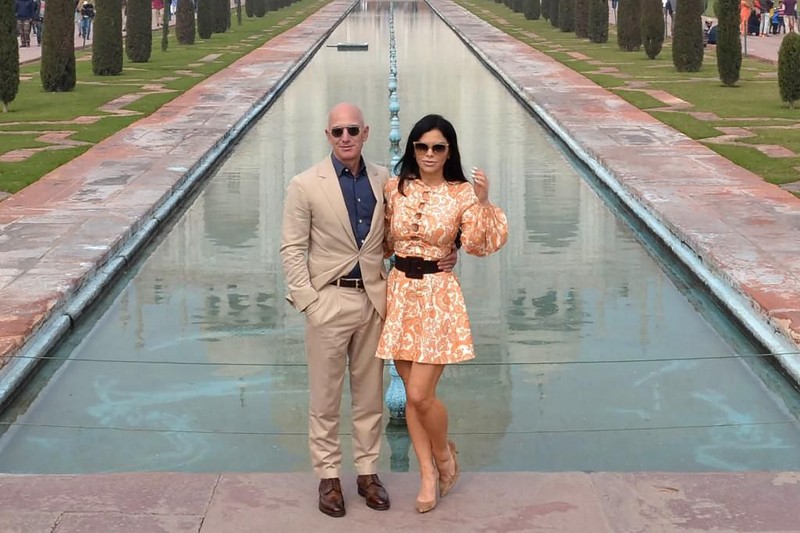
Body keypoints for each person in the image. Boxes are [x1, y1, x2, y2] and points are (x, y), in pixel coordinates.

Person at [280, 103, 456, 518]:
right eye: (338, 130)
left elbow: (413, 228)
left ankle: (366, 474)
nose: (345, 137)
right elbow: (291, 248)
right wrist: (308, 300)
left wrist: (449, 253)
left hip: (374, 299)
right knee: (324, 399)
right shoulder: (305, 184)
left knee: (370, 398)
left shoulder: (385, 181)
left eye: (352, 130)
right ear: (328, 135)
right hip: (328, 301)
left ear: (366, 132)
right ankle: (328, 479)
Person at [376, 114, 508, 513]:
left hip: (437, 296)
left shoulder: (462, 193)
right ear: (411, 149)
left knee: (419, 393)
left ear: (449, 151)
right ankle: (429, 474)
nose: (429, 154)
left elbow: (481, 244)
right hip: (400, 292)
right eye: (422, 146)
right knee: (414, 398)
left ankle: (446, 457)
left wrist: (483, 203)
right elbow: (381, 241)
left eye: (438, 147)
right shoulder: (395, 188)